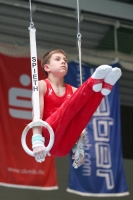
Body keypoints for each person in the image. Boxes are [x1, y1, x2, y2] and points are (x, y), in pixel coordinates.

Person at [32, 49, 122, 168]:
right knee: (67, 110)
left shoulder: (74, 91)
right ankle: (91, 83)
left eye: (65, 60)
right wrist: (37, 140)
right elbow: (36, 114)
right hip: (48, 135)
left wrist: (79, 147)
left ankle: (102, 91)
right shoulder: (41, 85)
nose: (63, 62)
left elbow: (80, 123)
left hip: (65, 145)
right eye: (58, 59)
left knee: (83, 114)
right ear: (47, 67)